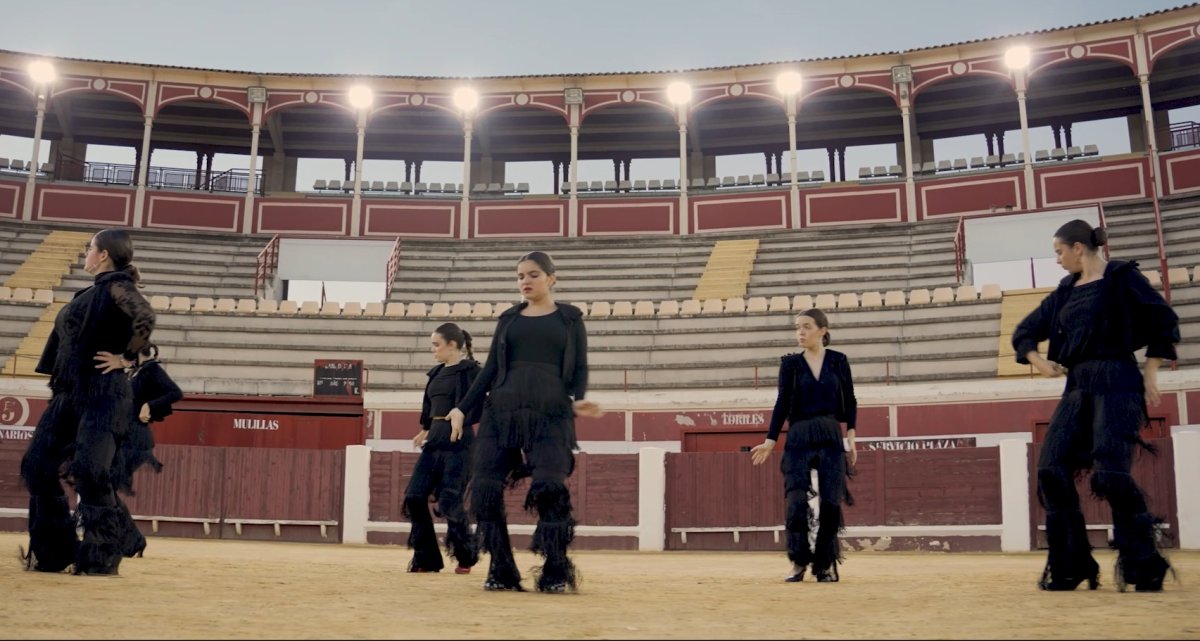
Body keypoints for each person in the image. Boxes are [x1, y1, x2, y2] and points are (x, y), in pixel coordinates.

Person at [1012, 219, 1179, 593]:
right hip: (1077, 385)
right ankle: (1071, 566)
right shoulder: (1065, 291)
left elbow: (1163, 319)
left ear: (1078, 248)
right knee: (1051, 470)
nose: (1057, 260)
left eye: (1059, 252)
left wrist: (1151, 371)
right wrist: (1038, 362)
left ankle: (1145, 565)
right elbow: (1025, 331)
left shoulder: (1122, 277)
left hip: (1118, 379)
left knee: (1110, 475)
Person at [447, 251, 602, 593]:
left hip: (551, 413)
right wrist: (461, 408)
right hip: (501, 411)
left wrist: (579, 398)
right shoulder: (508, 319)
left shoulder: (570, 318)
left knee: (549, 488)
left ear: (551, 278)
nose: (525, 281)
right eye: (520, 276)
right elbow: (490, 368)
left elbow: (580, 364)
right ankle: (501, 570)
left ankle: (555, 570)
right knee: (485, 488)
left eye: (533, 274)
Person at [20, 228, 155, 576]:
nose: (86, 254)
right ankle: (54, 552)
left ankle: (102, 556)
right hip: (71, 394)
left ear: (104, 255)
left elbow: (144, 316)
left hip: (104, 393)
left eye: (90, 248)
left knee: (91, 471)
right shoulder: (93, 291)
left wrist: (126, 358)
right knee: (37, 466)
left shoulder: (117, 286)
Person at [751, 308, 857, 583]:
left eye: (807, 326)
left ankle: (825, 563)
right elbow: (782, 402)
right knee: (796, 501)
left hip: (830, 434)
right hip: (798, 434)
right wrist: (770, 439)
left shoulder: (838, 361)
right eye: (797, 327)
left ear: (822, 330)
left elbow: (850, 398)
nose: (800, 332)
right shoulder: (790, 364)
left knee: (831, 502)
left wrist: (851, 434)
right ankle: (799, 561)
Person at [404, 322, 482, 574]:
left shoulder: (472, 371)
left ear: (452, 345)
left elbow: (480, 403)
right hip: (435, 440)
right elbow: (429, 406)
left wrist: (463, 417)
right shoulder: (436, 373)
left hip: (460, 443)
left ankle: (465, 556)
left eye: (436, 345)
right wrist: (425, 428)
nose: (433, 349)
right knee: (414, 497)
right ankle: (427, 558)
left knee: (450, 500)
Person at [112, 342, 183, 558]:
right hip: (126, 435)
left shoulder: (152, 370)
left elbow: (175, 393)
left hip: (136, 437)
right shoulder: (137, 371)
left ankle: (129, 540)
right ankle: (129, 540)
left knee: (105, 486)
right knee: (105, 487)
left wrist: (149, 406)